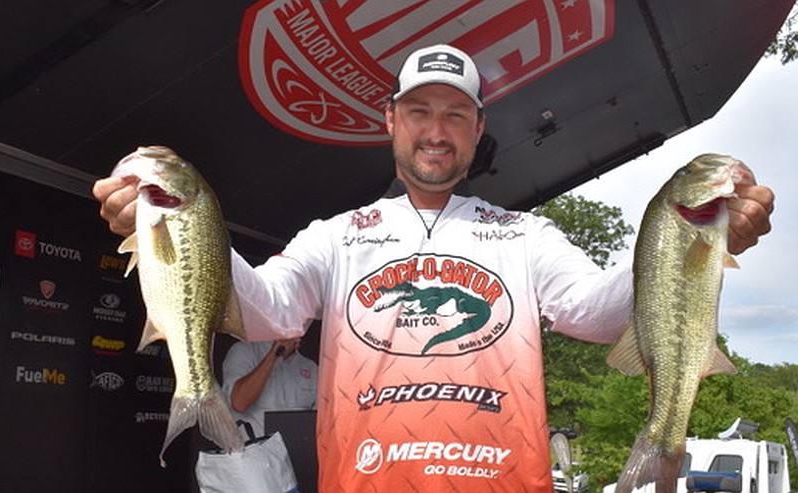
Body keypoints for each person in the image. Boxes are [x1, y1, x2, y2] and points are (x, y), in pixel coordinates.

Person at [93, 44, 774, 492]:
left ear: (478, 131)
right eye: (419, 111)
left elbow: (598, 311)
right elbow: (264, 305)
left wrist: (692, 248)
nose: (437, 130)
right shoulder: (334, 237)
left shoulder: (525, 235)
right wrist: (181, 229)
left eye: (456, 114)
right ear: (389, 120)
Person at [222, 337, 318, 438]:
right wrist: (275, 354)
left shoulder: (311, 367)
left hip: (296, 451)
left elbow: (321, 423)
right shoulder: (244, 351)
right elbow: (239, 403)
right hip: (252, 450)